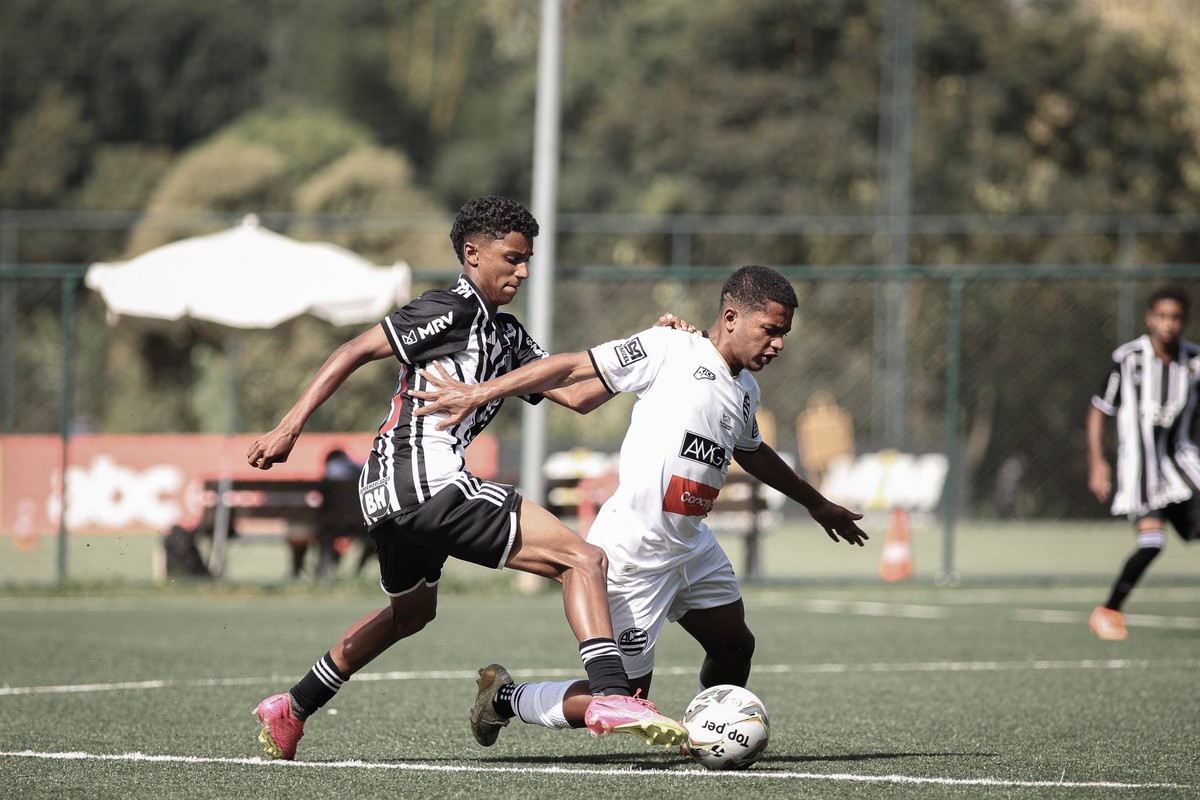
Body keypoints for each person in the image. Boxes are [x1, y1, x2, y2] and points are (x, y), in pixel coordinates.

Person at [246, 195, 688, 760]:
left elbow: (578, 394)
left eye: (528, 259)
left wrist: (651, 349)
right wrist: (290, 427)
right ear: (472, 254)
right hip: (423, 477)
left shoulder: (506, 336)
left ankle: (292, 707)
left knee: (413, 613)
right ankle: (609, 694)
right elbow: (355, 348)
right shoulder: (447, 309)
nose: (523, 271)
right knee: (584, 559)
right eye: (512, 258)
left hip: (390, 491)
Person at [410, 264, 869, 746]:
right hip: (633, 554)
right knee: (624, 697)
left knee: (735, 646)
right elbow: (570, 367)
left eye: (784, 335)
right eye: (770, 330)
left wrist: (817, 504)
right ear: (731, 317)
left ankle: (709, 733)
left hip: (693, 548)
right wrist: (482, 391)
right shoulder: (669, 347)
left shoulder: (745, 389)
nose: (777, 344)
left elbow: (752, 452)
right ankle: (504, 698)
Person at [1087, 285, 1200, 641]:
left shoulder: (1194, 362)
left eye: (1176, 318)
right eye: (1162, 317)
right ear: (1150, 319)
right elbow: (1099, 410)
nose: (1169, 324)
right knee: (1152, 543)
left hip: (1183, 462)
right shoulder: (1128, 359)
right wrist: (1098, 462)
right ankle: (1108, 611)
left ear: (1184, 321)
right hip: (1142, 468)